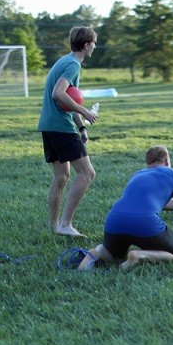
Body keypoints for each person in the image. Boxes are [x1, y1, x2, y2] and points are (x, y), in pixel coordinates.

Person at [78, 145, 173, 270]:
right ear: (167, 161)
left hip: (114, 221)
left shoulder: (137, 175)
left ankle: (97, 252)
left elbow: (161, 203)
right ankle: (139, 256)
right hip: (144, 223)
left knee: (115, 257)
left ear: (148, 163)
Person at [38, 26, 99, 237]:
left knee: (62, 177)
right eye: (94, 43)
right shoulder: (73, 65)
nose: (95, 46)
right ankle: (65, 224)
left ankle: (54, 225)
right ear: (87, 44)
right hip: (61, 127)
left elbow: (67, 101)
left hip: (49, 125)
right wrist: (85, 112)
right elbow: (58, 93)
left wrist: (81, 126)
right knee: (87, 173)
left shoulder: (64, 61)